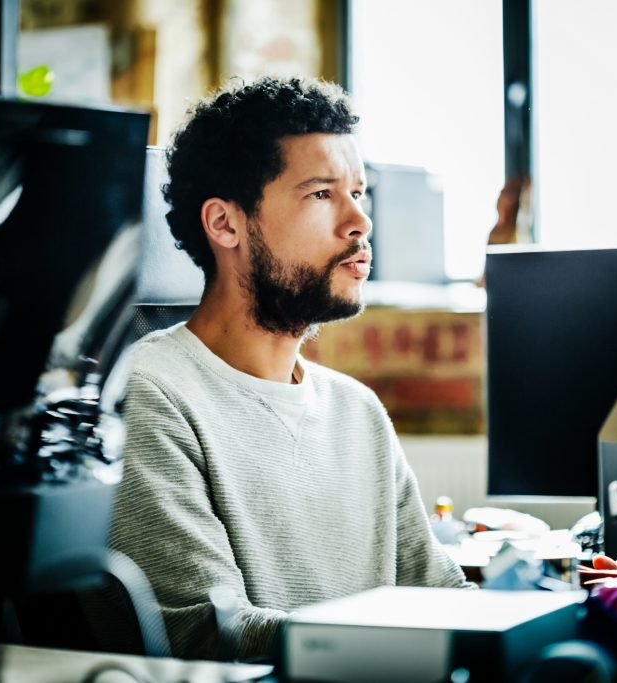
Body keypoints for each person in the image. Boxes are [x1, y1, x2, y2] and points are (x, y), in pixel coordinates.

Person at [109, 76, 473, 662]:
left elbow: (438, 595)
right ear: (225, 224)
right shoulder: (153, 396)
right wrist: (411, 649)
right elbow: (209, 633)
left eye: (360, 192)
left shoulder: (357, 409)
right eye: (322, 194)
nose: (360, 222)